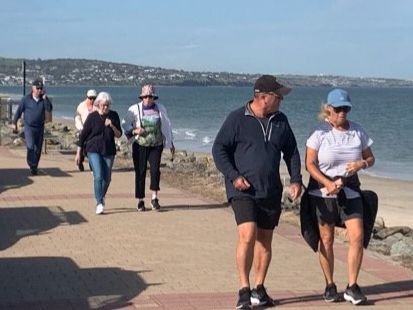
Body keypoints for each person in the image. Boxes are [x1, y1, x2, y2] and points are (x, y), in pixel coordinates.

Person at [212, 75, 302, 309]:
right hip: (243, 190)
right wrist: (234, 176)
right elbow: (219, 149)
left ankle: (259, 288)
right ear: (263, 97)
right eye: (278, 96)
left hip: (270, 190)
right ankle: (244, 289)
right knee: (248, 235)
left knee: (265, 241)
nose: (281, 99)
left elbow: (291, 151)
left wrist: (296, 180)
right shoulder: (237, 119)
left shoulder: (281, 121)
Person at [305, 88, 375, 305]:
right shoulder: (319, 133)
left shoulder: (358, 132)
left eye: (346, 108)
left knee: (357, 236)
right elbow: (309, 163)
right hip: (323, 192)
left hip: (351, 190)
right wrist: (326, 183)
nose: (343, 113)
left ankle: (352, 286)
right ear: (329, 109)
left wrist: (361, 164)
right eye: (338, 109)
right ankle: (329, 284)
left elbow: (371, 158)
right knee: (326, 239)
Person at [122, 84, 175, 212]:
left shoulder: (160, 108)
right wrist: (134, 130)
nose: (147, 99)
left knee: (155, 170)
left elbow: (167, 126)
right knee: (140, 172)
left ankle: (154, 198)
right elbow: (124, 123)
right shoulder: (134, 109)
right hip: (140, 145)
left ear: (154, 97)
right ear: (141, 97)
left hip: (156, 145)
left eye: (150, 96)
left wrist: (171, 143)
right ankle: (140, 201)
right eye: (145, 96)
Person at [75, 92, 122, 215]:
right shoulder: (92, 117)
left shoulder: (114, 116)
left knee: (107, 179)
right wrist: (78, 153)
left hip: (109, 150)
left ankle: (101, 196)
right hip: (93, 149)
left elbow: (119, 134)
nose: (105, 107)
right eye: (103, 105)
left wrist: (111, 125)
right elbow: (83, 135)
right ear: (98, 104)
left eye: (107, 105)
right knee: (98, 176)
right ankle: (99, 203)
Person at [11, 78, 53, 175]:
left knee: (38, 149)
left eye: (41, 88)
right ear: (33, 88)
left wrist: (46, 98)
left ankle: (34, 167)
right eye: (37, 88)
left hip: (40, 127)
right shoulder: (26, 99)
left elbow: (49, 109)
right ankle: (31, 164)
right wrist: (14, 123)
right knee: (30, 146)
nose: (39, 90)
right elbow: (18, 111)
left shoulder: (43, 99)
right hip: (29, 127)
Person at [74, 89, 97, 171]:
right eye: (90, 98)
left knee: (93, 148)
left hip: (93, 131)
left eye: (94, 98)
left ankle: (92, 164)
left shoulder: (97, 106)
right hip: (83, 129)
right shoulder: (81, 106)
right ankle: (80, 162)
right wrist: (80, 127)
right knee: (82, 147)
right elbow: (77, 117)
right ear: (87, 97)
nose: (92, 100)